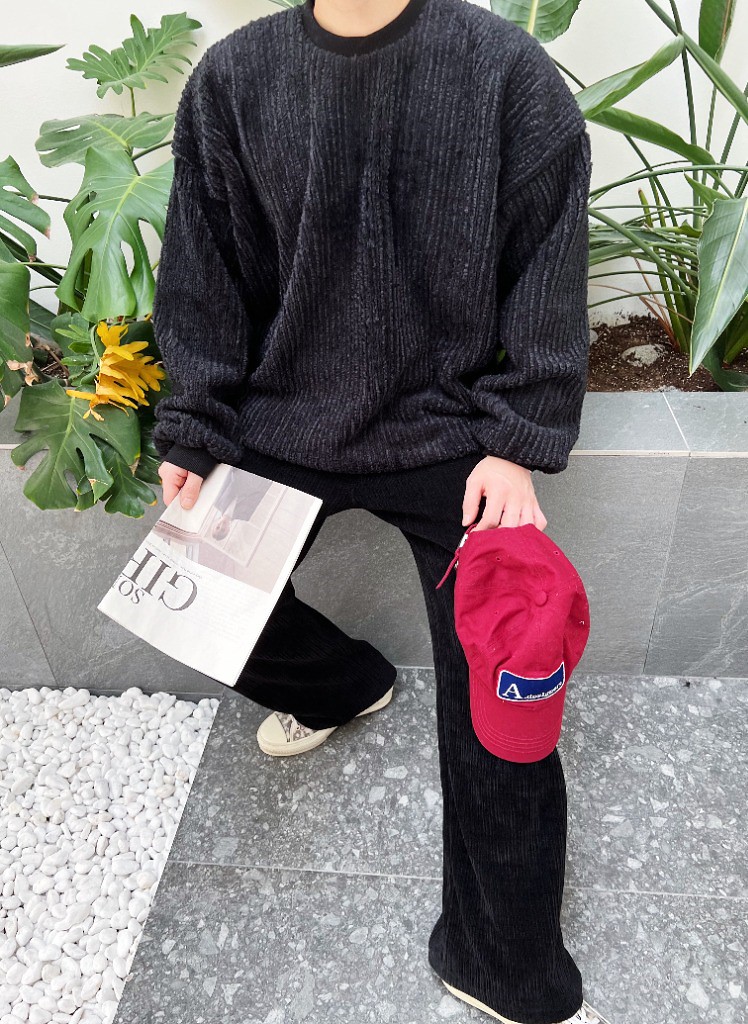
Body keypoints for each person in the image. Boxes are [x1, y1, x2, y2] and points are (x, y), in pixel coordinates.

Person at [152, 2, 609, 1022]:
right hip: (281, 421)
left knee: (505, 698)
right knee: (182, 598)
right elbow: (203, 273)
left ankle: (504, 964)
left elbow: (549, 266)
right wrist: (194, 429)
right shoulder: (235, 78)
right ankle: (343, 684)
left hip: (450, 434)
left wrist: (518, 439)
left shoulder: (503, 72)